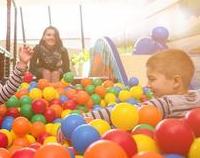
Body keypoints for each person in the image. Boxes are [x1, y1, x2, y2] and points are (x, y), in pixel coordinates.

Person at [58, 49, 200, 141]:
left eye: (152, 79)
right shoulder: (196, 97)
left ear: (176, 81)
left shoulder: (166, 103)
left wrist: (80, 121)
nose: (148, 85)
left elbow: (124, 112)